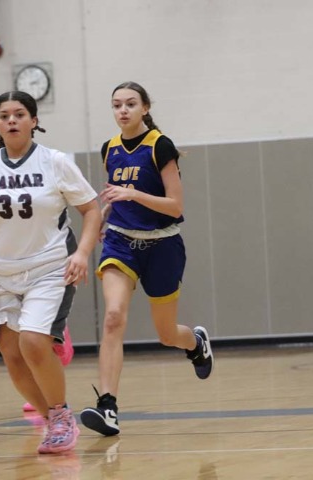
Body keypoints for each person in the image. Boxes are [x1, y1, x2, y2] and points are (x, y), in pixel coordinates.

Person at [0, 91, 102, 454]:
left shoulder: (55, 162)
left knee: (33, 343)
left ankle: (61, 414)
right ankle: (53, 421)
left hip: (49, 267)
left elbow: (92, 209)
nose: (12, 120)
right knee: (11, 352)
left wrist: (83, 253)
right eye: (4, 115)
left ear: (34, 121)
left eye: (20, 114)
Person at [80, 81, 214, 437]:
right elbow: (117, 195)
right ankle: (108, 407)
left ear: (145, 108)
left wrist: (133, 194)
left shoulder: (160, 145)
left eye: (130, 104)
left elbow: (175, 206)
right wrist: (106, 214)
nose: (122, 110)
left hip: (162, 246)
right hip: (120, 243)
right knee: (113, 318)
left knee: (167, 334)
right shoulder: (109, 148)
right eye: (116, 105)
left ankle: (195, 343)